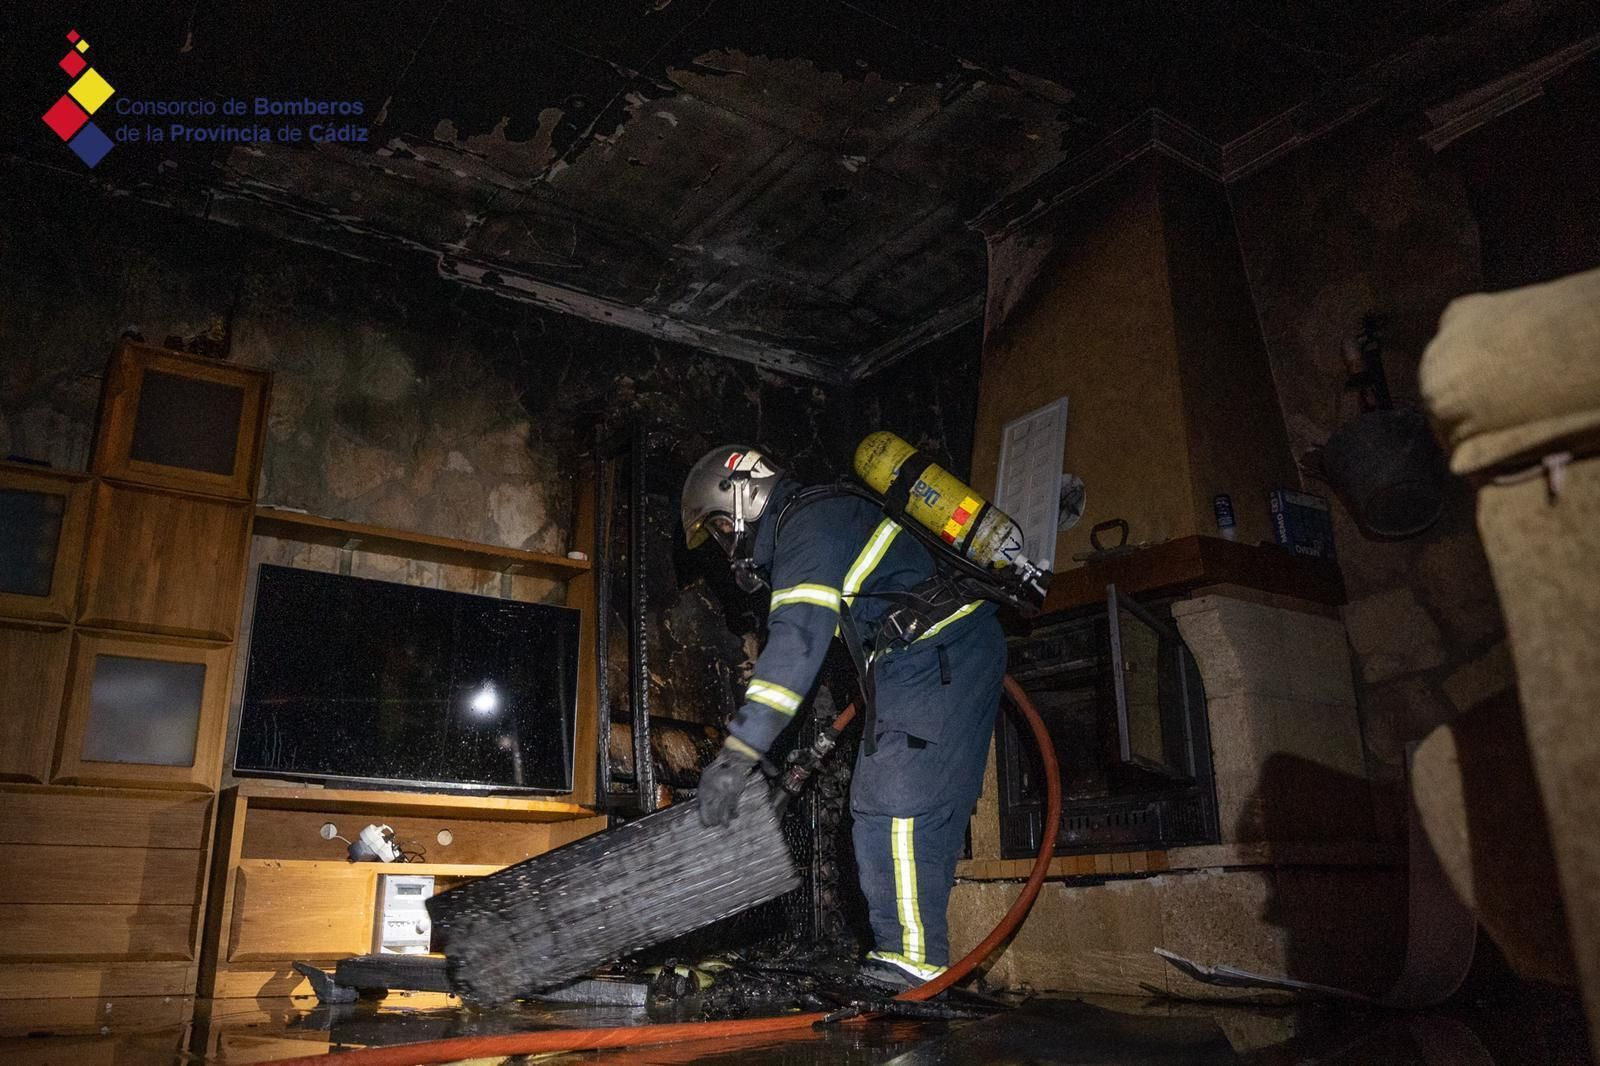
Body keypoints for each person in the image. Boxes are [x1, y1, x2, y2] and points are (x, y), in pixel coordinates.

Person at [681, 444, 1006, 989]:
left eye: (718, 526)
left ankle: (912, 962)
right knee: (909, 806)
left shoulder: (806, 528)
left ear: (741, 497)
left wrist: (739, 752)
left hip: (931, 655)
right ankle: (923, 954)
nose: (724, 544)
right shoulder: (820, 518)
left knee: (893, 803)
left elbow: (797, 645)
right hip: (932, 657)